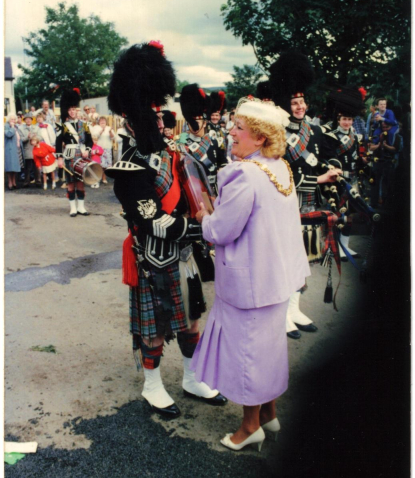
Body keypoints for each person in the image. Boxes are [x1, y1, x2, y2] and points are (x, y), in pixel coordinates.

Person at [106, 41, 227, 418]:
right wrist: (202, 230)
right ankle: (152, 385)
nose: (161, 122)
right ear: (132, 120)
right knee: (155, 328)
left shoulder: (174, 154)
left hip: (184, 257)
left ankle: (192, 378)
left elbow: (198, 190)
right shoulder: (129, 167)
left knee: (192, 321)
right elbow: (153, 221)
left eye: (162, 116)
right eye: (153, 116)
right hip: (154, 258)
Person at [191, 97, 310, 451]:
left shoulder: (244, 173)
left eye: (238, 129)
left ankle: (249, 426)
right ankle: (270, 415)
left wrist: (204, 218)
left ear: (259, 138)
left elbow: (221, 231)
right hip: (277, 279)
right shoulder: (280, 167)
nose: (230, 133)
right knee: (268, 349)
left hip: (249, 282)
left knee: (248, 355)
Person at [269, 51, 342, 339]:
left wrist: (332, 170)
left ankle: (295, 309)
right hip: (287, 202)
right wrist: (319, 177)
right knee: (287, 260)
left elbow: (320, 158)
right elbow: (282, 173)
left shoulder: (311, 130)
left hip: (309, 203)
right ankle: (283, 315)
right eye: (294, 102)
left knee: (305, 258)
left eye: (302, 101)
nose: (299, 106)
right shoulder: (278, 132)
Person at [321, 88, 365, 259]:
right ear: (338, 119)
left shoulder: (355, 136)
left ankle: (345, 246)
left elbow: (356, 157)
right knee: (336, 214)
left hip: (352, 178)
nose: (347, 122)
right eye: (344, 119)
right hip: (337, 181)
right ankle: (331, 247)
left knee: (350, 215)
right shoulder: (331, 136)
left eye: (349, 119)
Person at [178, 84, 228, 193]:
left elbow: (222, 161)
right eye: (191, 123)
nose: (193, 126)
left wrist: (221, 170)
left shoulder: (214, 140)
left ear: (204, 123)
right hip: (193, 189)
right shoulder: (182, 142)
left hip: (212, 187)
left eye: (197, 122)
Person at [56, 88, 92, 216]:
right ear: (67, 110)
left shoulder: (84, 125)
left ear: (77, 110)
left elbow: (90, 141)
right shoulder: (63, 126)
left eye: (74, 109)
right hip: (70, 156)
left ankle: (81, 207)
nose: (72, 112)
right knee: (71, 183)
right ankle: (73, 208)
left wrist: (87, 150)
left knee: (81, 182)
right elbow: (58, 143)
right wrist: (59, 158)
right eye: (70, 110)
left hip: (82, 155)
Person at [90, 116, 115, 185]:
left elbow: (113, 137)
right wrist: (101, 131)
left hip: (107, 148)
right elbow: (94, 137)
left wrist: (110, 131)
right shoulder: (96, 128)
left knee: (105, 165)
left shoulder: (108, 128)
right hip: (99, 149)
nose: (102, 122)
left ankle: (104, 178)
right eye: (101, 120)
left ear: (106, 122)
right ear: (99, 122)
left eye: (104, 120)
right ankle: (97, 178)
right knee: (99, 165)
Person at [19, 114, 40, 187]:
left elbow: (40, 137)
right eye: (26, 119)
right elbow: (21, 139)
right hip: (27, 149)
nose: (28, 120)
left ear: (32, 120)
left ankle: (38, 181)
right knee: (27, 167)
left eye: (30, 119)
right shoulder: (21, 128)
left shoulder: (36, 128)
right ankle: (26, 182)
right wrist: (27, 137)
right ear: (24, 120)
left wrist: (35, 138)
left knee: (36, 166)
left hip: (35, 149)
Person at [4, 114, 24, 190]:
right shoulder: (6, 127)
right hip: (9, 149)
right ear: (8, 120)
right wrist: (12, 127)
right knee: (10, 167)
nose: (13, 121)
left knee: (15, 167)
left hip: (16, 149)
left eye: (14, 119)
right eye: (11, 119)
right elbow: (9, 134)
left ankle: (14, 182)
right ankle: (10, 182)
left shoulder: (16, 127)